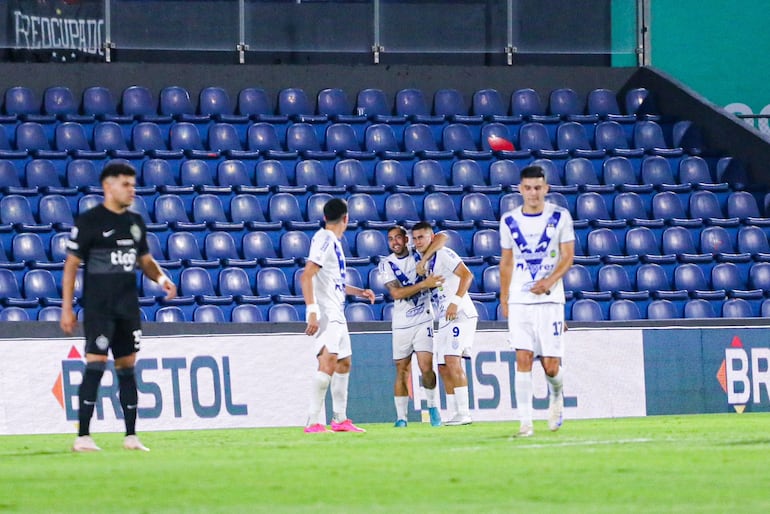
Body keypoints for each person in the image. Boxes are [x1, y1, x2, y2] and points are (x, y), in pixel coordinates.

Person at [60, 161, 177, 452]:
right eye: (125, 184)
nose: (131, 190)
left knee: (127, 367)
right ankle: (83, 437)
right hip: (100, 308)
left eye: (133, 184)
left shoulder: (135, 222)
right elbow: (71, 266)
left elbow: (145, 261)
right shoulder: (89, 221)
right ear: (107, 186)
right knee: (96, 364)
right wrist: (66, 308)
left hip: (128, 308)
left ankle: (131, 436)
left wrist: (162, 279)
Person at [498, 165, 575, 438]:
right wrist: (504, 296)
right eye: (528, 188)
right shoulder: (508, 220)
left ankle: (556, 395)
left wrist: (550, 281)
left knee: (551, 365)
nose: (533, 193)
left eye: (537, 188)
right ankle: (525, 424)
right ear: (520, 189)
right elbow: (506, 261)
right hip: (520, 299)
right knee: (523, 357)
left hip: (551, 300)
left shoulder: (560, 216)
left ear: (546, 188)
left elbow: (568, 256)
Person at [301, 198, 376, 433]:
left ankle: (340, 419)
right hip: (326, 311)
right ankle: (313, 421)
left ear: (325, 217)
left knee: (344, 362)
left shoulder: (332, 241)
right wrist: (312, 311)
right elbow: (307, 275)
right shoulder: (324, 238)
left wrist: (359, 292)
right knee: (329, 361)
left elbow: (332, 282)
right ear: (346, 218)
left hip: (337, 310)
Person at [411, 221, 477, 426]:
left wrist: (455, 302)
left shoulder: (444, 254)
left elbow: (467, 275)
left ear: (431, 238)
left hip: (459, 313)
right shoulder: (426, 261)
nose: (417, 242)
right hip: (445, 319)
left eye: (421, 237)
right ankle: (455, 413)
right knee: (442, 366)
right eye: (414, 238)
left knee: (451, 359)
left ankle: (465, 413)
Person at [380, 225, 447, 428]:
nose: (395, 242)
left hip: (423, 319)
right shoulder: (386, 264)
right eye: (391, 239)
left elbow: (443, 237)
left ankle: (433, 408)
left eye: (398, 238)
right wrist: (424, 284)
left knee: (426, 367)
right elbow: (397, 294)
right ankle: (402, 417)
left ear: (406, 239)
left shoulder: (419, 254)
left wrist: (425, 260)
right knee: (402, 370)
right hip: (401, 324)